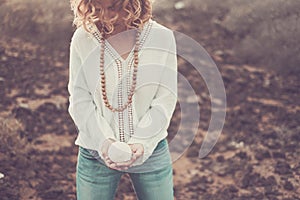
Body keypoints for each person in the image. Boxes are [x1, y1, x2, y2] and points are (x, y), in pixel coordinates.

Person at [68, 0, 177, 199]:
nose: (105, 16)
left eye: (113, 7)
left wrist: (143, 141)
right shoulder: (82, 39)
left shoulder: (162, 38)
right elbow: (80, 100)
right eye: (98, 7)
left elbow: (165, 98)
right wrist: (104, 142)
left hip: (152, 150)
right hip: (95, 151)